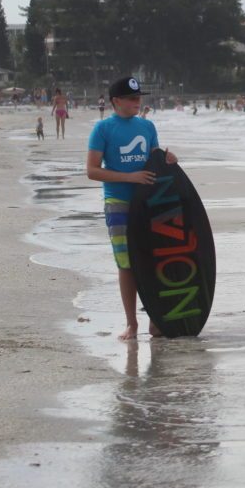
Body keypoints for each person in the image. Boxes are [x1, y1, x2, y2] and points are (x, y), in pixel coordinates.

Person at [86, 76, 178, 340]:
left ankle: (156, 319)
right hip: (119, 202)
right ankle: (131, 324)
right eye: (131, 98)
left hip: (150, 202)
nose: (137, 102)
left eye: (139, 98)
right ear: (116, 101)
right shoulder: (103, 129)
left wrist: (170, 160)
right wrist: (130, 177)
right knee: (126, 264)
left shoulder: (147, 127)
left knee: (152, 259)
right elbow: (92, 171)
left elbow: (155, 161)